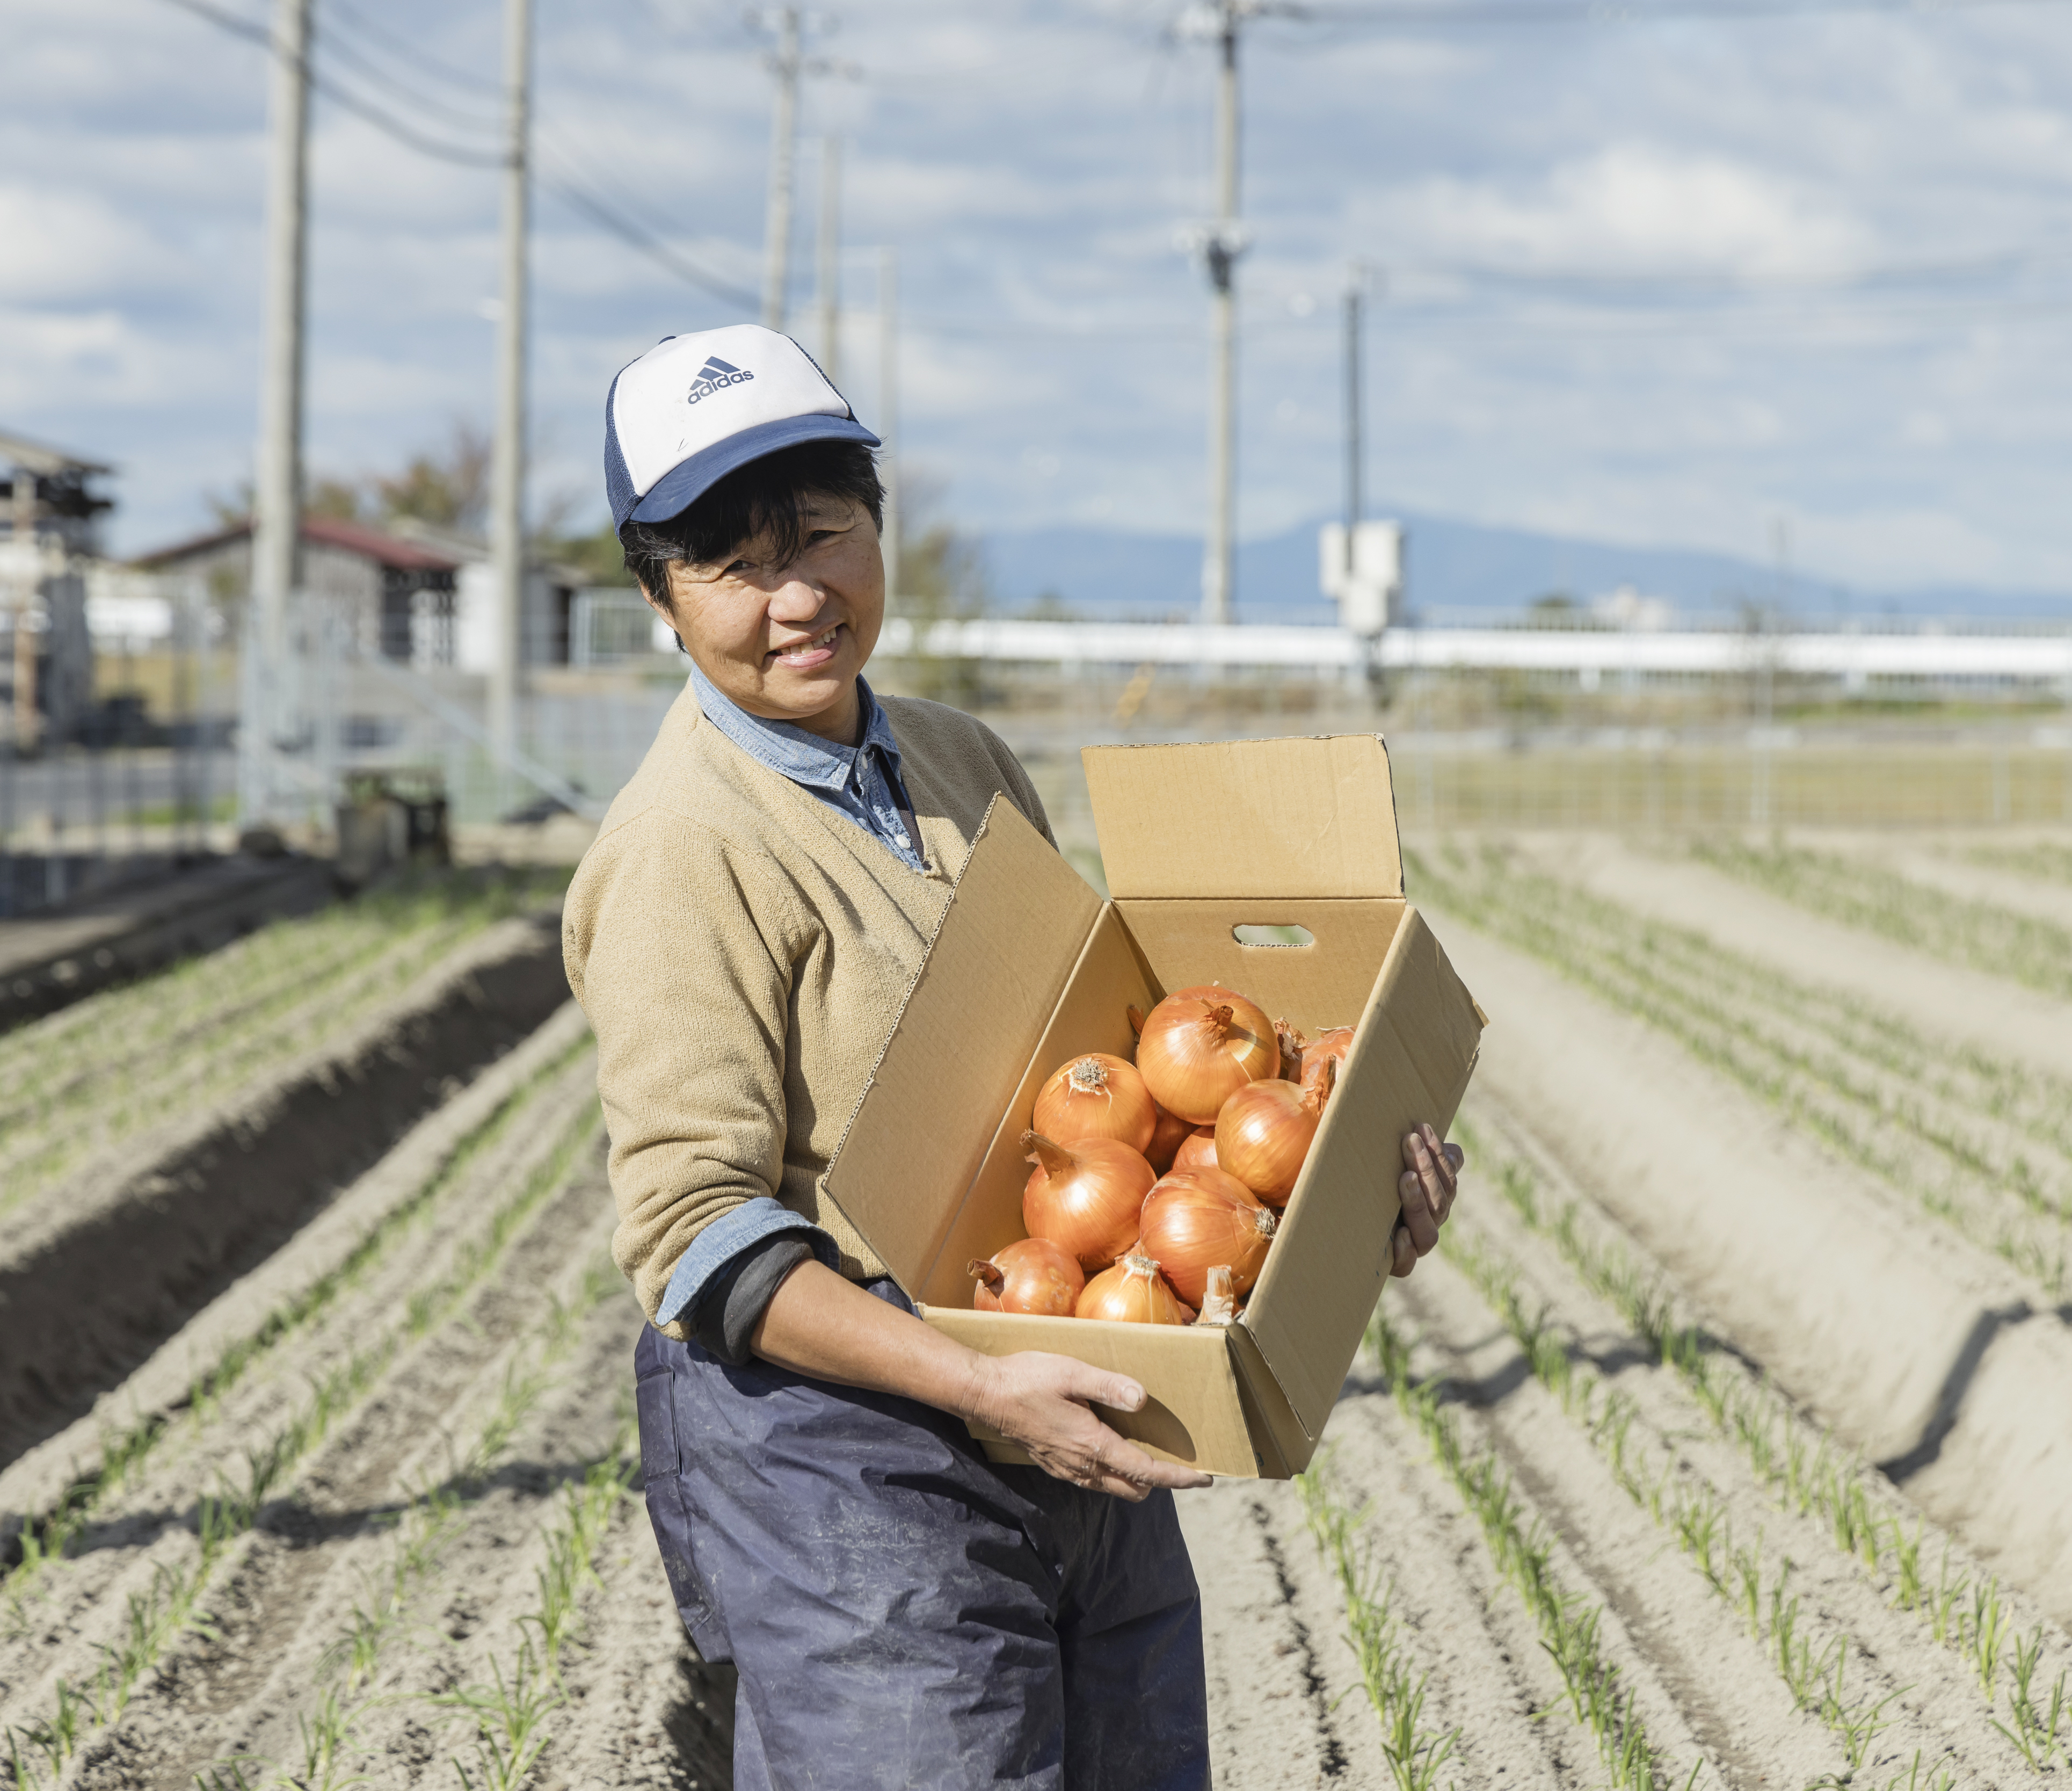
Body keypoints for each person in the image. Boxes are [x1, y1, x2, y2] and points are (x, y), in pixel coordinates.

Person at [562, 323, 1466, 1790]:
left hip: (1062, 1405)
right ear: (660, 596)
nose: (796, 595)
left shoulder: (962, 760)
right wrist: (979, 1391)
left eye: (821, 533)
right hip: (842, 1456)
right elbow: (692, 1233)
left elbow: (1099, 1108)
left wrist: (1329, 1200)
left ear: (878, 521)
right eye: (731, 563)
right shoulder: (684, 849)